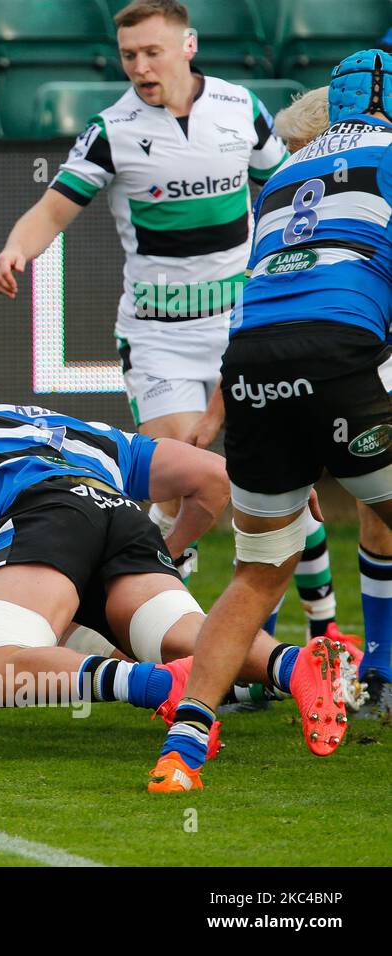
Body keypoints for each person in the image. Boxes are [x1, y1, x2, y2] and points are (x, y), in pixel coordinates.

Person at [0, 403, 340, 757]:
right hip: (120, 518)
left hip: (42, 513)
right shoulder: (87, 430)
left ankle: (157, 686)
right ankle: (294, 665)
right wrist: (165, 552)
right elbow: (215, 480)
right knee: (179, 637)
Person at [0, 0, 301, 584]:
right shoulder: (112, 131)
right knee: (189, 476)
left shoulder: (242, 110)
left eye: (152, 51)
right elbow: (52, 211)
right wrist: (15, 250)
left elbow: (282, 193)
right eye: (129, 55)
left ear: (189, 45)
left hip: (242, 325)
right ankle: (161, 588)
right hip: (159, 336)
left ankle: (291, 631)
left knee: (273, 482)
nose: (140, 66)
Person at [147, 49, 392, 791]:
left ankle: (184, 749)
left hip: (252, 364)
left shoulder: (286, 173)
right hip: (340, 350)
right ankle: (378, 672)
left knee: (255, 573)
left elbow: (272, 286)